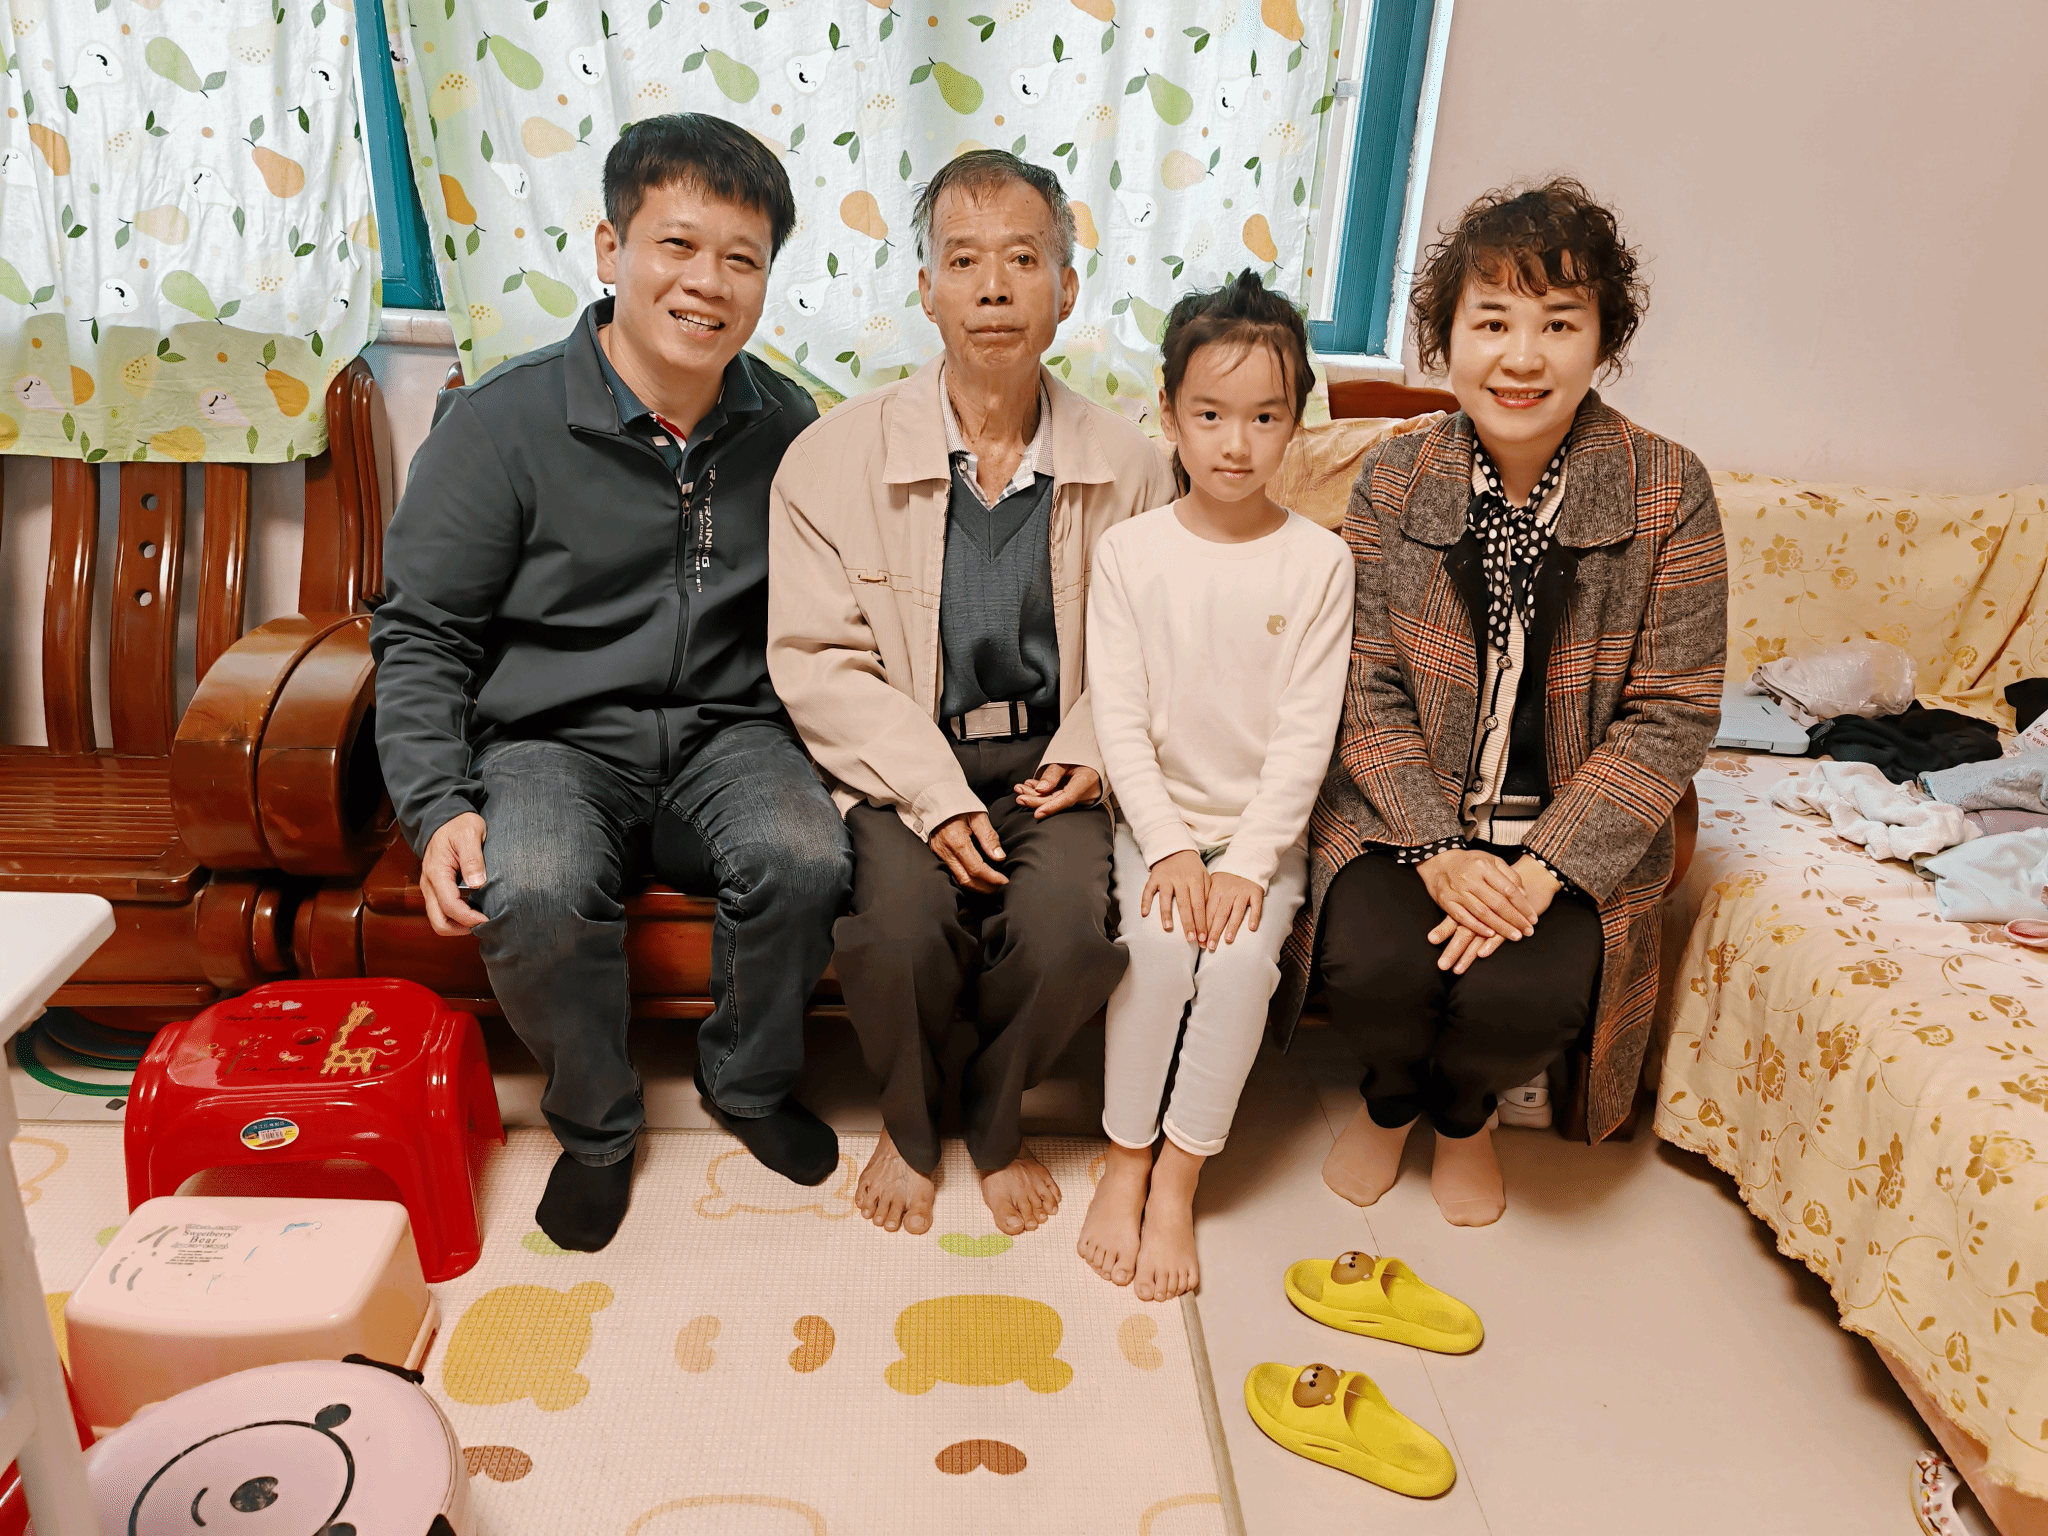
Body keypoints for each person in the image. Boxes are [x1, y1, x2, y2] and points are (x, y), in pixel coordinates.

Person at [369, 115, 852, 1254]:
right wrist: (436, 804)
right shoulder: (501, 423)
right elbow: (422, 632)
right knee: (531, 883)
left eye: (741, 259)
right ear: (609, 248)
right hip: (551, 741)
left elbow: (840, 612)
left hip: (729, 732)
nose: (707, 283)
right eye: (676, 245)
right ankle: (595, 1128)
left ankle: (745, 1082)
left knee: (808, 857)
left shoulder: (789, 424)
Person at [1277, 178, 1726, 1225]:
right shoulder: (1393, 480)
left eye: (1557, 323)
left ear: (1602, 339)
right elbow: (1363, 686)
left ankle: (1463, 1115)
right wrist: (1440, 850)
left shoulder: (1669, 488)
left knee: (1523, 996)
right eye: (1491, 322)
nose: (1521, 357)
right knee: (1373, 966)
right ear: (1446, 340)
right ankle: (1389, 1103)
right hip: (1404, 821)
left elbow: (1672, 712)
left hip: (1568, 835)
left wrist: (1540, 873)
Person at [768, 151, 1178, 1240]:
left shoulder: (1134, 466)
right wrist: (933, 794)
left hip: (1056, 765)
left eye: (1022, 260)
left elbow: (1152, 646)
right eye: (963, 261)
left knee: (1066, 937)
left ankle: (995, 1117)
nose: (993, 288)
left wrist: (1091, 748)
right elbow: (816, 661)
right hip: (907, 762)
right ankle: (911, 1126)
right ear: (925, 290)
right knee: (899, 932)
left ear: (1066, 290)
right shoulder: (827, 460)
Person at [1075, 272, 1352, 1301]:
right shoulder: (1128, 553)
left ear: (1296, 423)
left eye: (1264, 417)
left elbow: (1306, 734)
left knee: (1235, 971)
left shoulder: (1320, 563)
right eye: (1210, 415)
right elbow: (1119, 719)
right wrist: (1169, 847)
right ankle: (1124, 1161)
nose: (1236, 443)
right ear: (1168, 414)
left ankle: (1180, 1177)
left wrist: (1246, 862)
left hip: (1259, 840)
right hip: (1155, 827)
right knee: (1155, 958)